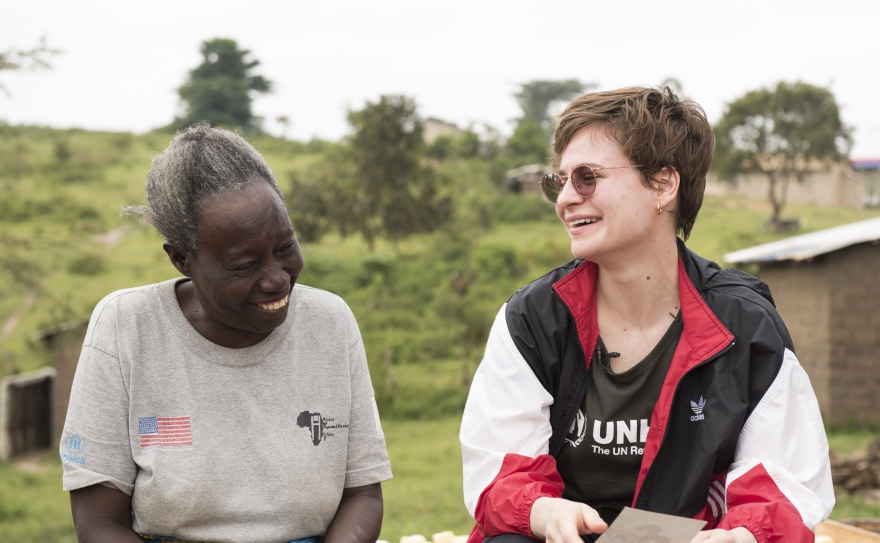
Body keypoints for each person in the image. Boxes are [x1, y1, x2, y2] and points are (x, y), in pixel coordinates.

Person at [459, 87, 833, 543]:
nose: (565, 200)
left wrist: (740, 535)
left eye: (588, 177)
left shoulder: (745, 326)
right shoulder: (533, 319)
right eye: (560, 182)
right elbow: (499, 468)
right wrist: (541, 510)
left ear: (663, 184)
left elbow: (782, 483)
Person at [59, 124, 392, 543]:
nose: (276, 279)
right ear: (182, 259)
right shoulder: (126, 326)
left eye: (285, 247)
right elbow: (98, 524)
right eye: (244, 264)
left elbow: (362, 493)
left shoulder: (330, 323)